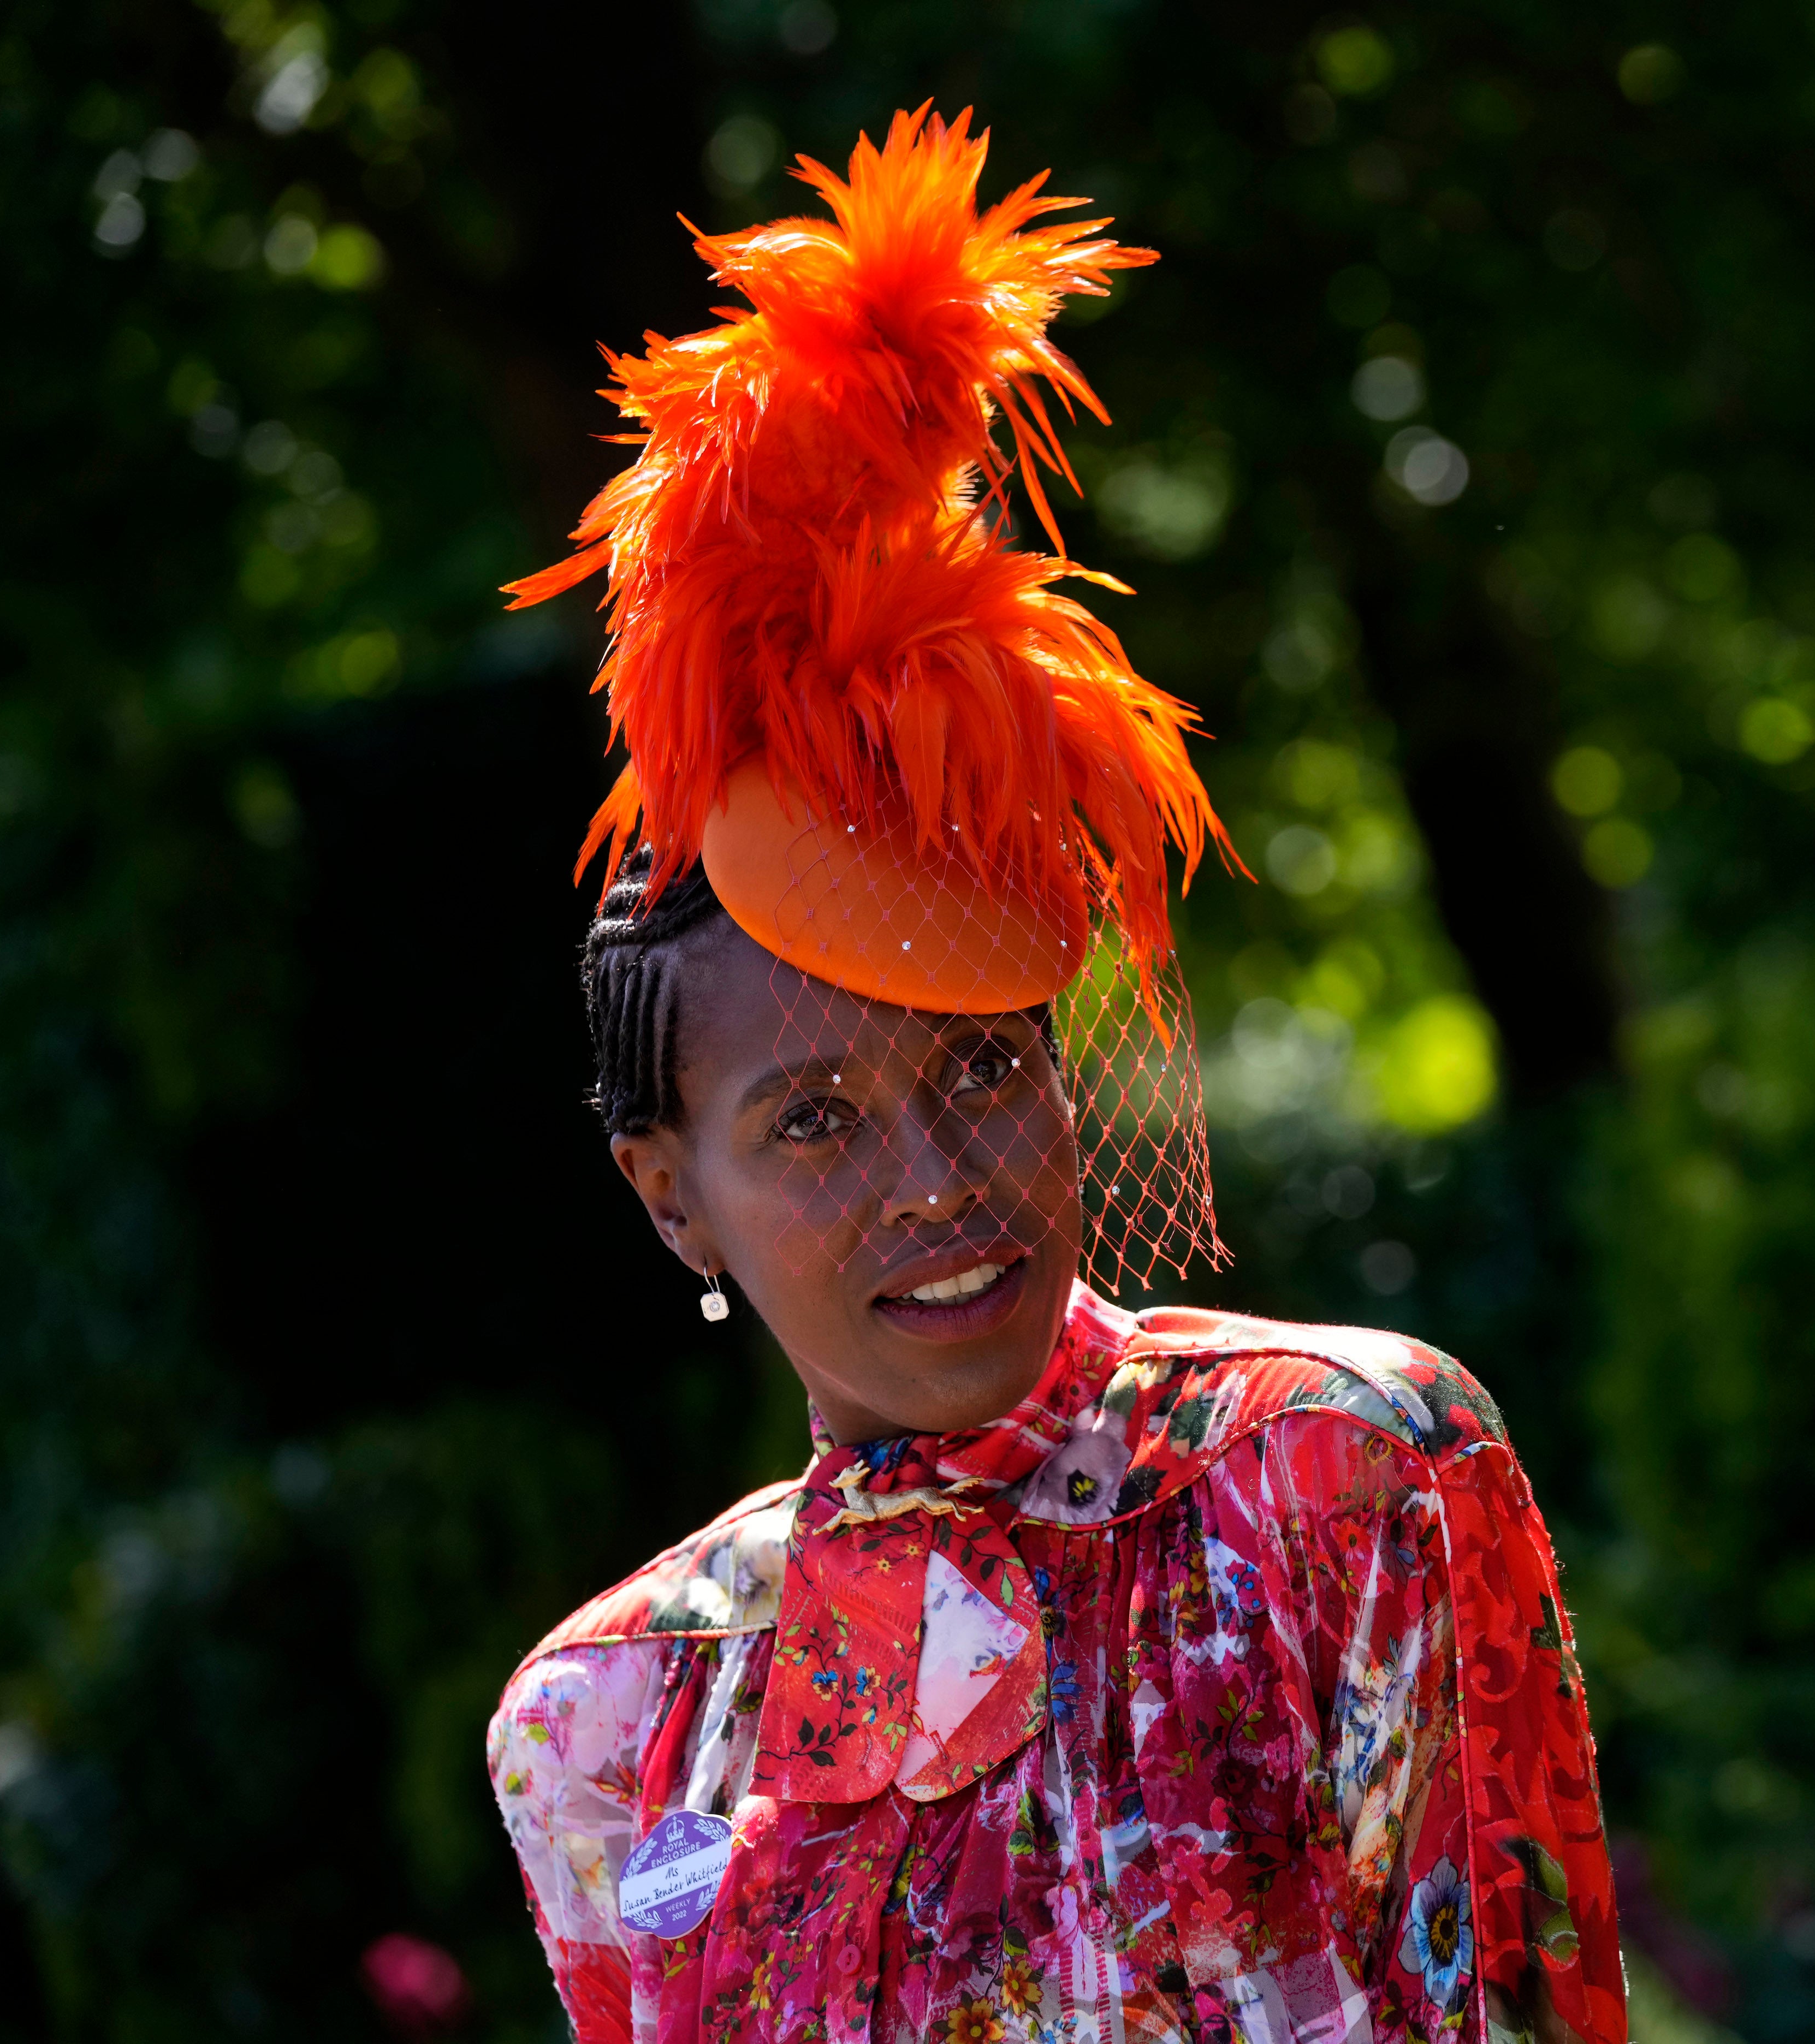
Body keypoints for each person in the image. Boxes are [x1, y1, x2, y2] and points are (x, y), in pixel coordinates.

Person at [481, 106, 1624, 2044]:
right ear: (671, 1191)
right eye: (815, 1119)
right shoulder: (609, 1723)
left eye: (984, 1070)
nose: (939, 1176)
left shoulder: (1333, 1470)